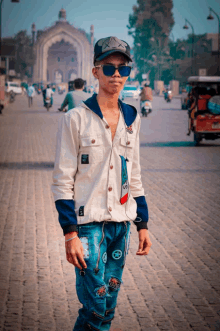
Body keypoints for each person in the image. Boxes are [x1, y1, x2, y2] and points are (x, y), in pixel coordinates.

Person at [51, 36, 152, 331]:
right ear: (95, 71)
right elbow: (62, 180)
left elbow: (133, 174)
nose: (117, 75)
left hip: (120, 225)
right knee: (96, 308)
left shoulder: (132, 117)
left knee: (107, 307)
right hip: (87, 228)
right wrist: (70, 235)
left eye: (123, 69)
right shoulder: (75, 119)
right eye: (109, 68)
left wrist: (142, 224)